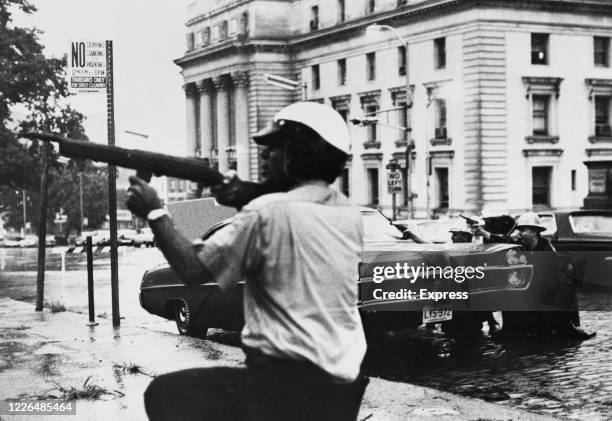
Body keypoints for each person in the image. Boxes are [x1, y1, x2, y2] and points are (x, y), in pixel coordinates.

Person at [126, 101, 369, 421]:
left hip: (284, 388)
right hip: (341, 390)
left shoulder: (267, 213)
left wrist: (156, 212)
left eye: (275, 148)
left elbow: (192, 269)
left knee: (165, 394)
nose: (264, 155)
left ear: (297, 154)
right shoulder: (349, 214)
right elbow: (296, 211)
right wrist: (246, 195)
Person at [488, 213, 595, 340]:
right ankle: (511, 330)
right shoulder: (521, 246)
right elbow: (503, 244)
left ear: (533, 233)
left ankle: (567, 329)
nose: (519, 234)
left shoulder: (547, 250)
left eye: (522, 231)